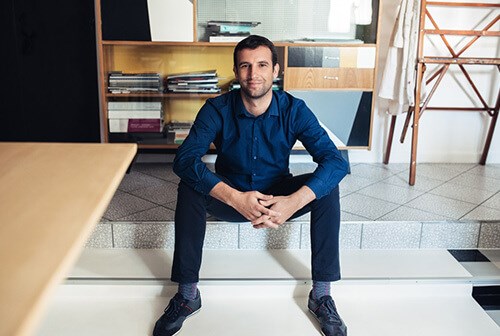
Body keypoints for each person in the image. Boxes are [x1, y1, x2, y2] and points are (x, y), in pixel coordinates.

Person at [153, 35, 349, 336]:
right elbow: (184, 160)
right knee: (190, 185)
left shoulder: (295, 110)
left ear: (275, 70)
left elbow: (336, 162)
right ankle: (188, 295)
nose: (252, 74)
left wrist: (292, 202)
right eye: (245, 65)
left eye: (261, 65)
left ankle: (321, 295)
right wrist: (234, 198)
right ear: (236, 71)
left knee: (326, 186)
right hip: (232, 195)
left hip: (277, 197)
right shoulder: (216, 109)